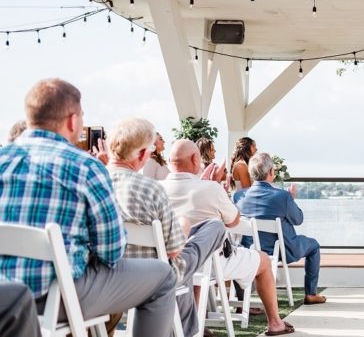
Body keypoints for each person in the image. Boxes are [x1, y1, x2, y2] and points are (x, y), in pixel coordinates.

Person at [0, 78, 176, 336]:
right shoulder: (85, 167)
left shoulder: (3, 160)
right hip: (57, 295)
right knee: (163, 276)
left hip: (5, 295)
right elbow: (113, 251)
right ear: (72, 121)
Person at [162, 139, 295, 335]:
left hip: (173, 262)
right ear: (195, 158)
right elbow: (233, 221)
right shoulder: (209, 188)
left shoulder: (157, 188)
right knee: (265, 261)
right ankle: (275, 323)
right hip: (215, 263)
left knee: (198, 271)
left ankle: (196, 323)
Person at [107, 118, 226, 337]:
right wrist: (184, 226)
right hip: (156, 275)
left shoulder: (95, 182)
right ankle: (189, 332)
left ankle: (190, 330)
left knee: (185, 271)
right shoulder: (151, 189)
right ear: (143, 154)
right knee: (212, 230)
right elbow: (174, 250)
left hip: (111, 274)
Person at [237, 153, 327, 305]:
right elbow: (298, 219)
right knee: (314, 245)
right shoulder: (282, 196)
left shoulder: (239, 197)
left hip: (251, 250)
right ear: (271, 171)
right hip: (284, 250)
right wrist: (291, 199)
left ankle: (242, 303)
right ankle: (311, 293)